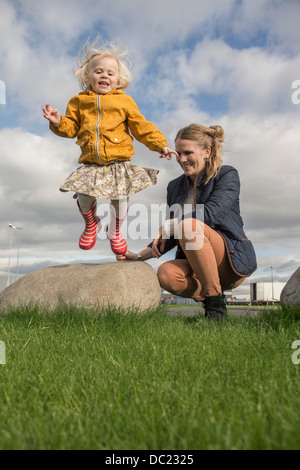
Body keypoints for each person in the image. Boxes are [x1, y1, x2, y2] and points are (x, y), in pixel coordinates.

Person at [42, 37, 177, 255]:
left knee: (120, 199)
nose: (104, 75)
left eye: (110, 73)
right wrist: (58, 122)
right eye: (98, 71)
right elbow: (71, 128)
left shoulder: (124, 102)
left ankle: (115, 231)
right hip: (91, 163)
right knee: (84, 196)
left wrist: (160, 145)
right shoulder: (78, 102)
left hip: (118, 162)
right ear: (88, 76)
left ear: (118, 80)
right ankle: (91, 223)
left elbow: (141, 126)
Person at [117, 123, 257, 320]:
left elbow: (211, 213)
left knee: (188, 225)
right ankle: (211, 298)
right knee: (166, 273)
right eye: (178, 154)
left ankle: (216, 313)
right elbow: (172, 236)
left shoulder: (226, 175)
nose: (182, 159)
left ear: (207, 152)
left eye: (188, 153)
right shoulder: (174, 186)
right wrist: (139, 257)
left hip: (229, 259)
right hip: (196, 261)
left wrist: (170, 227)